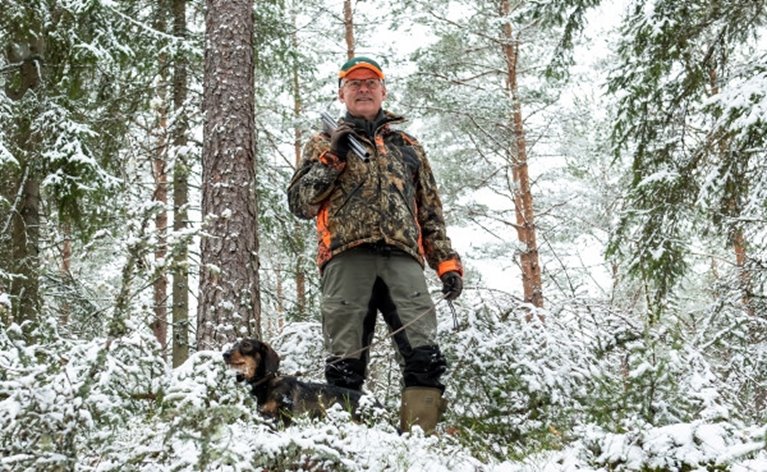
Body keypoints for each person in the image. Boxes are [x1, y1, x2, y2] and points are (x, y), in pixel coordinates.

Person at [287, 56, 463, 434]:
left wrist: (446, 263)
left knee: (424, 354)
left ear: (383, 91)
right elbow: (301, 203)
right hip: (345, 259)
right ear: (342, 93)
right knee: (344, 362)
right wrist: (334, 157)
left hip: (403, 260)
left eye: (371, 82)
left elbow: (430, 211)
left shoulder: (408, 146)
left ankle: (421, 443)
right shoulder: (321, 142)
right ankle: (347, 444)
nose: (363, 88)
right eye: (354, 83)